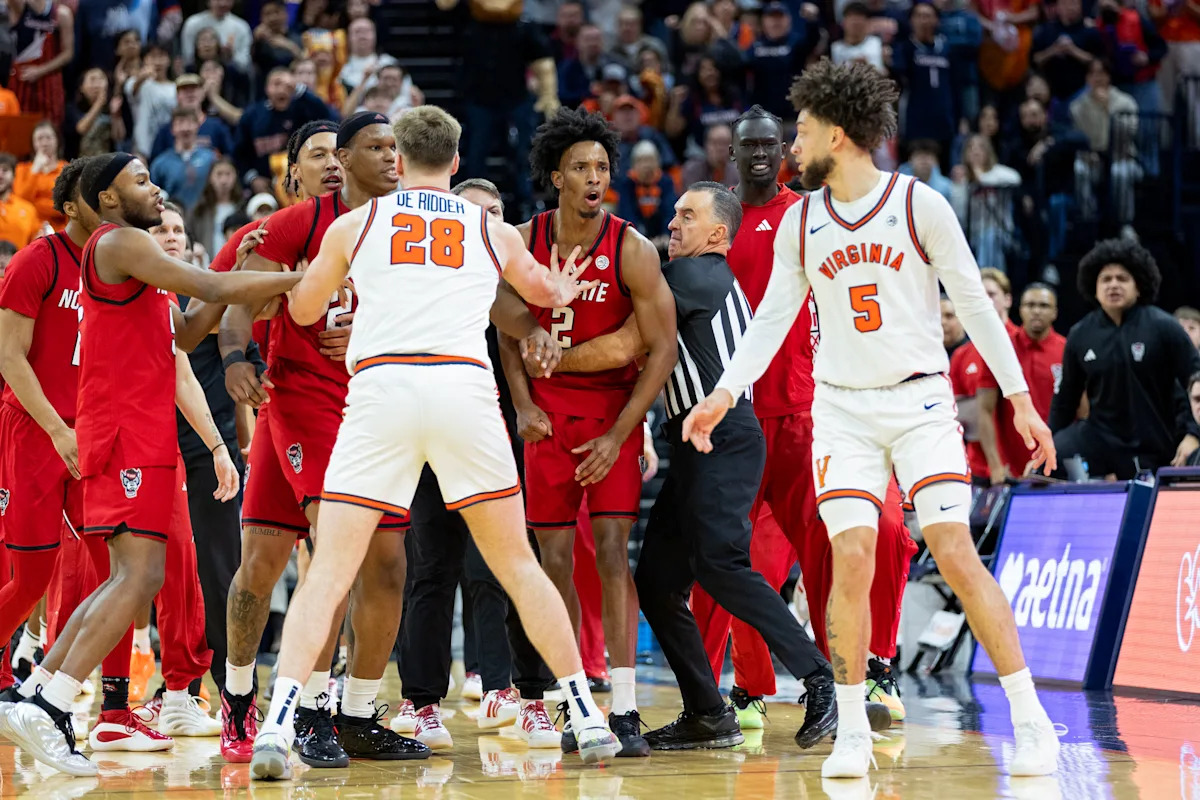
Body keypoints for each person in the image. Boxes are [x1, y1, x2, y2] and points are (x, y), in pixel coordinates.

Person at [682, 59, 1061, 779]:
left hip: (920, 402)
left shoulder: (920, 205)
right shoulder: (803, 222)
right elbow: (769, 320)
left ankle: (1031, 716)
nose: (791, 146)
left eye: (800, 132)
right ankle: (852, 727)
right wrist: (724, 392)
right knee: (851, 556)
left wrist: (1019, 401)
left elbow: (977, 309)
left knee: (953, 548)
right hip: (843, 411)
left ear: (836, 132)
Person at [249, 105, 622, 780]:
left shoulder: (354, 223)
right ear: (456, 162)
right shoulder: (491, 226)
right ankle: (587, 717)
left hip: (383, 389)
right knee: (516, 564)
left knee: (330, 568)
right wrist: (560, 283)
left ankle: (276, 727)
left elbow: (304, 311)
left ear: (398, 160)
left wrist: (309, 289)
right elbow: (540, 296)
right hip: (462, 393)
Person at [0, 152, 301, 776]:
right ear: (105, 200)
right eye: (140, 180)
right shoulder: (119, 243)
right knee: (134, 578)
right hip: (116, 430)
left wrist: (244, 267)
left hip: (133, 429)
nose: (155, 186)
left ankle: (41, 693)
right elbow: (214, 289)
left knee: (126, 577)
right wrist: (301, 276)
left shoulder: (131, 254)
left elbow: (188, 333)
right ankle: (54, 705)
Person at [217, 113, 422, 768]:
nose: (338, 162)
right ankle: (264, 700)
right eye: (328, 152)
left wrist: (374, 338)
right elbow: (234, 300)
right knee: (287, 564)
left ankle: (358, 712)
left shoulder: (411, 226)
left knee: (387, 562)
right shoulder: (296, 223)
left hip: (375, 403)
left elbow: (434, 312)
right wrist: (236, 357)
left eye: (393, 147)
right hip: (301, 400)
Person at [498, 107, 678, 759]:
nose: (594, 177)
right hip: (546, 416)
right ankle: (575, 699)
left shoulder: (631, 245)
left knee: (610, 552)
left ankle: (624, 706)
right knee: (551, 564)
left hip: (610, 415)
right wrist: (520, 403)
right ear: (556, 176)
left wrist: (621, 433)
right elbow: (501, 316)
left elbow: (662, 349)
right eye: (581, 167)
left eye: (602, 167)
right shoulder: (526, 236)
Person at [392, 178, 563, 750]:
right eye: (474, 213)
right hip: (430, 427)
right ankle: (421, 702)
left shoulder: (518, 278)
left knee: (509, 564)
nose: (487, 221)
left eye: (497, 211)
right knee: (432, 567)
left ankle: (518, 692)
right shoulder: (421, 280)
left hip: (501, 434)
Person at [0, 159, 93, 709]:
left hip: (91, 430)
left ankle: (84, 691)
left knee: (116, 564)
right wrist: (58, 430)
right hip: (36, 428)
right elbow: (9, 357)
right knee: (31, 572)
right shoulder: (40, 257)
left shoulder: (117, 263)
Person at [1050, 239, 1200, 478]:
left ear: (1138, 286)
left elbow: (1196, 378)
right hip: (1101, 436)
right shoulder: (1080, 334)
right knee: (1052, 458)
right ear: (1094, 287)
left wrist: (1194, 434)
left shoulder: (1164, 327)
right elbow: (1065, 400)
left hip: (1155, 440)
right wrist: (1047, 446)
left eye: (1122, 278)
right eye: (1106, 279)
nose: (1113, 285)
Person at [6, 0, 73, 127]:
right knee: (19, 127)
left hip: (49, 80)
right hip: (22, 78)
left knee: (51, 128)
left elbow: (68, 53)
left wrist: (41, 70)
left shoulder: (60, 13)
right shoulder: (20, 6)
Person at [14, 121, 67, 230]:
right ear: (33, 143)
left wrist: (35, 205)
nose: (44, 143)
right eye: (39, 139)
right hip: (29, 228)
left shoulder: (66, 169)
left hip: (60, 229)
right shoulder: (22, 169)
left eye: (48, 137)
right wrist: (35, 170)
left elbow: (64, 206)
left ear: (57, 140)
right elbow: (20, 201)